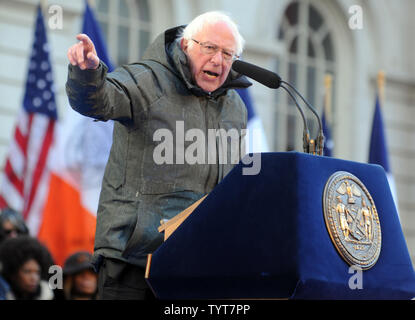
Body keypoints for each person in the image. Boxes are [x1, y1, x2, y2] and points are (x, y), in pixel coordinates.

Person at [66, 11, 251, 300]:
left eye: (228, 54)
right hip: (132, 258)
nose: (218, 60)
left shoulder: (235, 108)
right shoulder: (148, 80)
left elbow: (230, 185)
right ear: (185, 45)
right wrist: (88, 74)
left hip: (195, 263)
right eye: (210, 48)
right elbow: (100, 100)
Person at [0, 236, 54, 300]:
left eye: (37, 272)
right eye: (27, 272)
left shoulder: (46, 295)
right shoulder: (3, 294)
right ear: (13, 273)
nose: (34, 278)